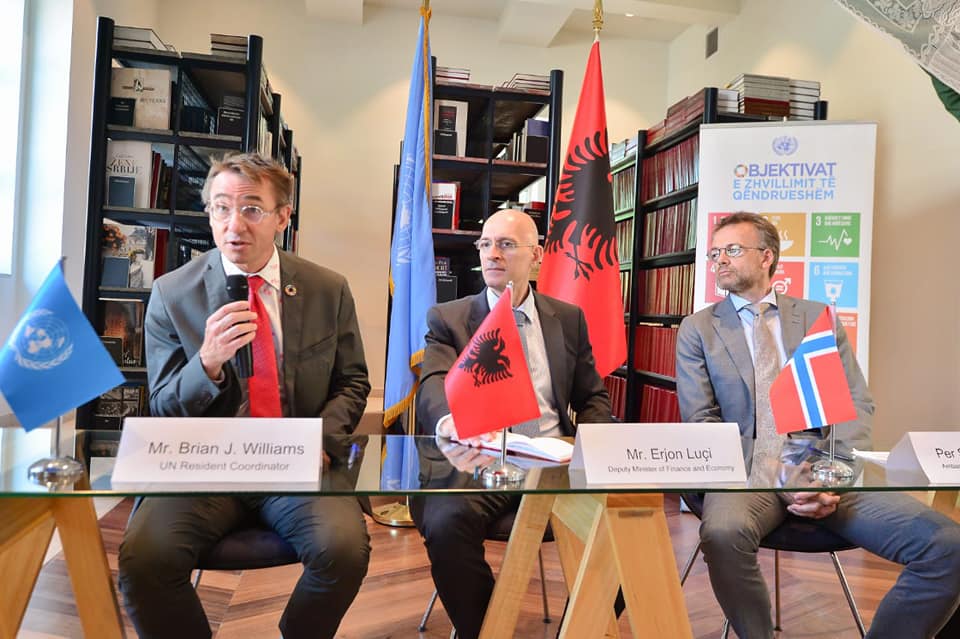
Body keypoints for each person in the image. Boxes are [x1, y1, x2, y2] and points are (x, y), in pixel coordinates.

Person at [118, 152, 372, 639]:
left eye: (252, 208)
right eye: (221, 208)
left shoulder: (327, 289)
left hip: (296, 461)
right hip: (205, 466)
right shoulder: (173, 294)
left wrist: (319, 441)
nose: (234, 224)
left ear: (282, 217)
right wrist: (207, 363)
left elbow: (352, 382)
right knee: (144, 558)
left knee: (343, 550)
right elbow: (164, 406)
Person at [676, 212, 960, 638]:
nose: (720, 260)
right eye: (715, 253)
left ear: (767, 257)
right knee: (721, 533)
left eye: (733, 250)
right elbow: (703, 423)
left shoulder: (816, 317)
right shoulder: (698, 329)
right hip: (746, 474)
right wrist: (781, 475)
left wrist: (831, 475)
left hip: (823, 470)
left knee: (948, 546)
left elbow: (855, 404)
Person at [411, 209, 612, 639]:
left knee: (628, 523)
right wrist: (450, 423)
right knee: (444, 521)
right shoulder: (449, 318)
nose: (492, 254)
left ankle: (585, 626)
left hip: (554, 461)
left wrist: (591, 451)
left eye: (505, 245)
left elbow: (592, 397)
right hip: (480, 459)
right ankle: (487, 630)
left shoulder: (568, 319)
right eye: (485, 244)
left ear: (536, 255)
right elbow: (433, 385)